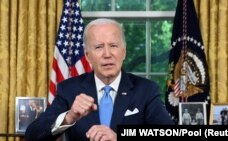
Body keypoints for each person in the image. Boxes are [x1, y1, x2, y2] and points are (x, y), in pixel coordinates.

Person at [25, 18, 174, 141]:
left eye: (113, 46)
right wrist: (69, 117)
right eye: (98, 47)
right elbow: (32, 135)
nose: (107, 54)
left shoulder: (146, 90)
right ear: (88, 55)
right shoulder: (69, 89)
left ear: (124, 51)